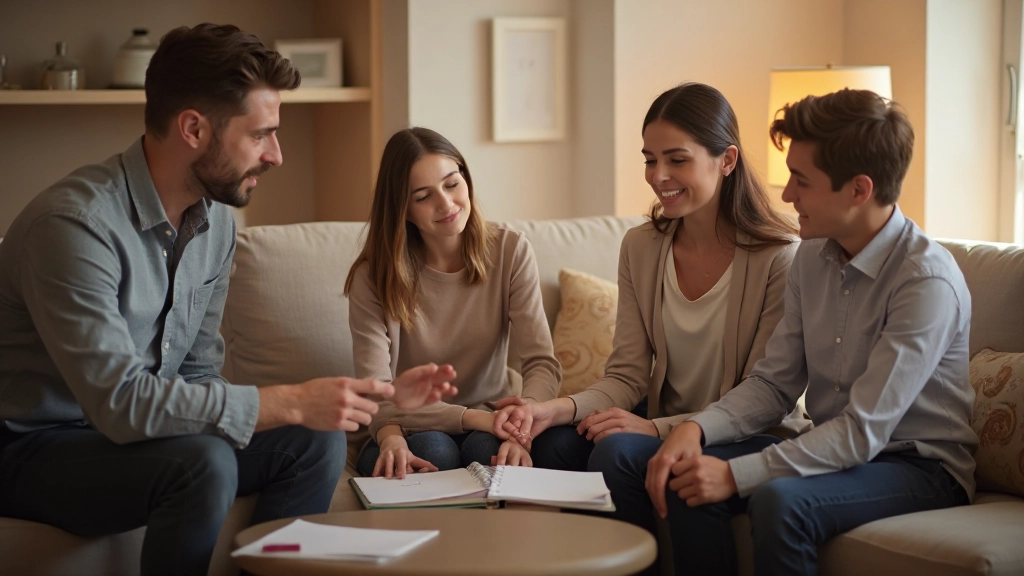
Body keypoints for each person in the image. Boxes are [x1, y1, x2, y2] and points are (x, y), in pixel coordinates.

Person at [0, 24, 455, 576]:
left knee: (316, 440)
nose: (277, 155)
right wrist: (288, 400)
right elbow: (118, 404)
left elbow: (196, 375)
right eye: (261, 134)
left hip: (140, 439)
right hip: (35, 449)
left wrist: (352, 400)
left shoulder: (215, 224)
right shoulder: (74, 227)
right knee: (204, 462)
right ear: (193, 128)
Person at [619, 89, 977, 575]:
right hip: (838, 449)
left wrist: (734, 474)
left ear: (859, 190)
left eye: (801, 181)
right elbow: (773, 384)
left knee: (781, 502)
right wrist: (695, 428)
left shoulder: (925, 282)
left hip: (920, 466)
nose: (787, 195)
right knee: (690, 481)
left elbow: (862, 431)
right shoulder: (811, 257)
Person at [495, 83, 803, 475]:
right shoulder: (641, 247)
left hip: (747, 435)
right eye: (650, 160)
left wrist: (656, 429)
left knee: (617, 453)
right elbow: (627, 376)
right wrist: (553, 409)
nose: (659, 176)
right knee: (552, 443)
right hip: (659, 422)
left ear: (726, 160)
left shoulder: (780, 256)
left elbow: (763, 398)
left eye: (677, 160)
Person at [345, 127, 562, 479]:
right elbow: (377, 390)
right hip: (408, 423)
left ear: (466, 180)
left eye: (451, 184)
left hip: (495, 418)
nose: (446, 204)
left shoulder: (510, 251)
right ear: (403, 209)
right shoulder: (372, 277)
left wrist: (524, 426)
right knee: (435, 451)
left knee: (490, 451)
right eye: (423, 196)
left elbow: (541, 362)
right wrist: (391, 438)